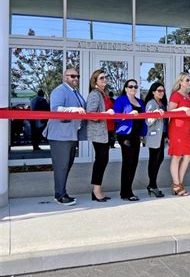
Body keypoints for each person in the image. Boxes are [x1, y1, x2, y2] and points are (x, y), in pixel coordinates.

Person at [43, 68, 87, 206]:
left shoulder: (75, 92)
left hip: (71, 134)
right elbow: (55, 109)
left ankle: (61, 192)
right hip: (60, 135)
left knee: (67, 165)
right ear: (65, 77)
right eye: (72, 76)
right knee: (61, 166)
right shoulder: (60, 90)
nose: (76, 78)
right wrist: (73, 110)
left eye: (78, 76)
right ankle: (60, 195)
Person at [114, 79, 146, 201]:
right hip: (125, 135)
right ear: (126, 88)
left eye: (135, 86)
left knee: (134, 162)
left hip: (136, 135)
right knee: (128, 162)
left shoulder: (139, 102)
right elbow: (116, 118)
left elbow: (144, 116)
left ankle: (128, 189)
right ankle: (126, 192)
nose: (133, 88)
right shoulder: (121, 100)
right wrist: (129, 114)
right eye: (130, 86)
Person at [86, 69, 115, 202]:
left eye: (105, 77)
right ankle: (96, 190)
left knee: (103, 161)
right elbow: (91, 114)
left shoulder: (104, 94)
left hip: (107, 132)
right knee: (100, 161)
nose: (104, 79)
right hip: (98, 133)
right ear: (95, 81)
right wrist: (106, 113)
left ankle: (97, 189)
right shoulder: (94, 94)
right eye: (101, 78)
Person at [168, 72, 190, 196]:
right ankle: (177, 185)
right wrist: (182, 109)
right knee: (177, 156)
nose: (189, 82)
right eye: (187, 80)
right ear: (180, 82)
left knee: (188, 155)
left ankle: (179, 183)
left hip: (187, 129)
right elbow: (170, 111)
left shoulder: (189, 96)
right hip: (176, 129)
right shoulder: (175, 95)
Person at [144, 82, 168, 198]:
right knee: (153, 160)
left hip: (162, 135)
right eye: (159, 90)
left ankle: (152, 184)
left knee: (160, 158)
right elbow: (148, 121)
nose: (161, 93)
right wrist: (155, 114)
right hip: (154, 136)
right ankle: (152, 185)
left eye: (163, 90)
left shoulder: (162, 102)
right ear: (153, 92)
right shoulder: (151, 103)